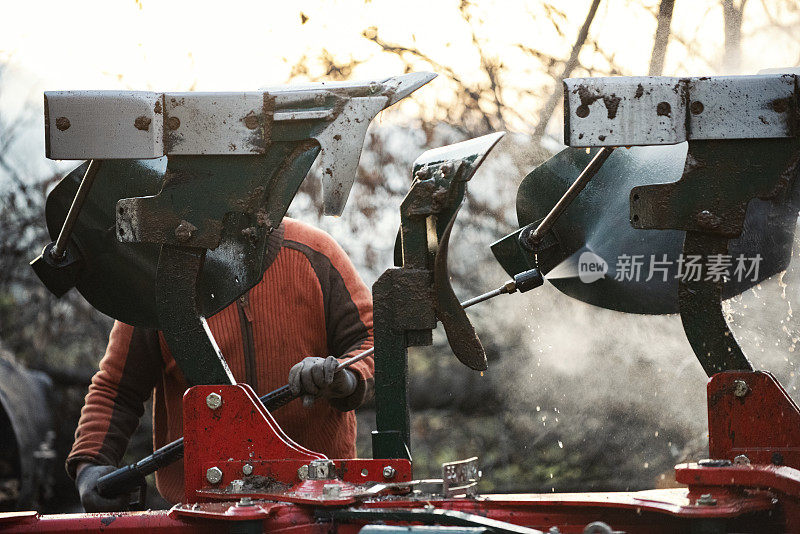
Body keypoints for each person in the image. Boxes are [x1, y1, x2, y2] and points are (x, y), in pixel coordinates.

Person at [67, 218, 374, 511]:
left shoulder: (315, 253)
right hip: (201, 510)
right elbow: (117, 388)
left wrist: (344, 377)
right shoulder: (158, 278)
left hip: (321, 501)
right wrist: (91, 464)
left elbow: (371, 341)